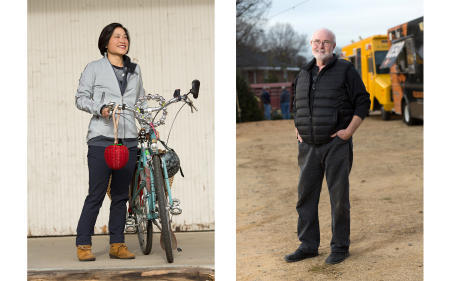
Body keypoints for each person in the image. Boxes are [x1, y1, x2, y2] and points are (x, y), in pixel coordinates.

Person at [284, 28, 370, 265]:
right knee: (305, 197)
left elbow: (363, 102)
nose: (321, 46)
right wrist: (297, 129)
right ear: (311, 44)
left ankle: (340, 247)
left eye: (326, 42)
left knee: (338, 199)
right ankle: (308, 245)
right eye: (317, 42)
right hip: (308, 147)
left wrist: (349, 131)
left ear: (333, 46)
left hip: (336, 145)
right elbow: (295, 104)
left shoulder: (345, 70)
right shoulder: (303, 72)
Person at [75, 23, 146, 261]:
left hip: (128, 138)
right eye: (117, 36)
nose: (123, 40)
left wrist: (147, 119)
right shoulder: (94, 68)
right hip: (101, 138)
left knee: (121, 196)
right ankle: (83, 244)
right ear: (106, 42)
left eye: (125, 36)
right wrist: (101, 108)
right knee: (95, 193)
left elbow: (141, 100)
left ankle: (117, 244)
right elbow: (81, 98)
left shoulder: (135, 70)